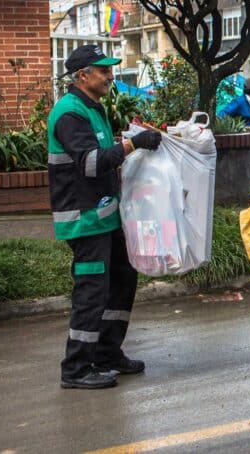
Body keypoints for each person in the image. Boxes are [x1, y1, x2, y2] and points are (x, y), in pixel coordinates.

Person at [48, 45, 163, 389]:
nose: (111, 75)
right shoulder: (70, 113)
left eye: (110, 69)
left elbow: (102, 152)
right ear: (83, 75)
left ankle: (107, 352)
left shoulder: (91, 108)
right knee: (92, 293)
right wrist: (133, 144)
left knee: (123, 280)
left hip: (104, 217)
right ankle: (76, 368)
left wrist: (128, 141)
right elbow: (91, 163)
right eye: (103, 70)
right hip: (84, 221)